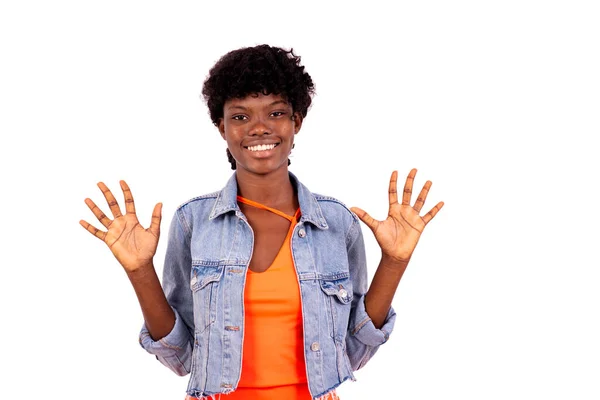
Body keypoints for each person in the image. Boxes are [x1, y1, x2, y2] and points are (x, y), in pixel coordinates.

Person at [80, 44, 444, 400]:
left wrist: (395, 261)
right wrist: (140, 270)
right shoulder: (193, 221)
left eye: (275, 113)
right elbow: (181, 357)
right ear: (221, 127)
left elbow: (352, 353)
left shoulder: (336, 223)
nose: (259, 128)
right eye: (240, 116)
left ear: (296, 121)